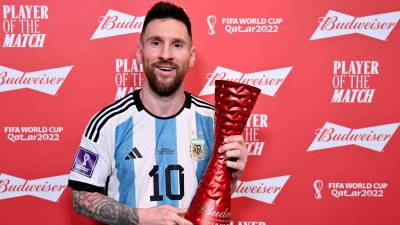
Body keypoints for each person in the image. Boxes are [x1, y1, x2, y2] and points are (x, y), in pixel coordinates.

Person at [68, 2, 248, 225]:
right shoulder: (108, 123)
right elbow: (80, 196)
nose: (166, 54)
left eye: (177, 45)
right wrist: (142, 217)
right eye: (156, 43)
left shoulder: (214, 122)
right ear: (139, 52)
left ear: (191, 56)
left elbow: (216, 201)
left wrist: (233, 177)